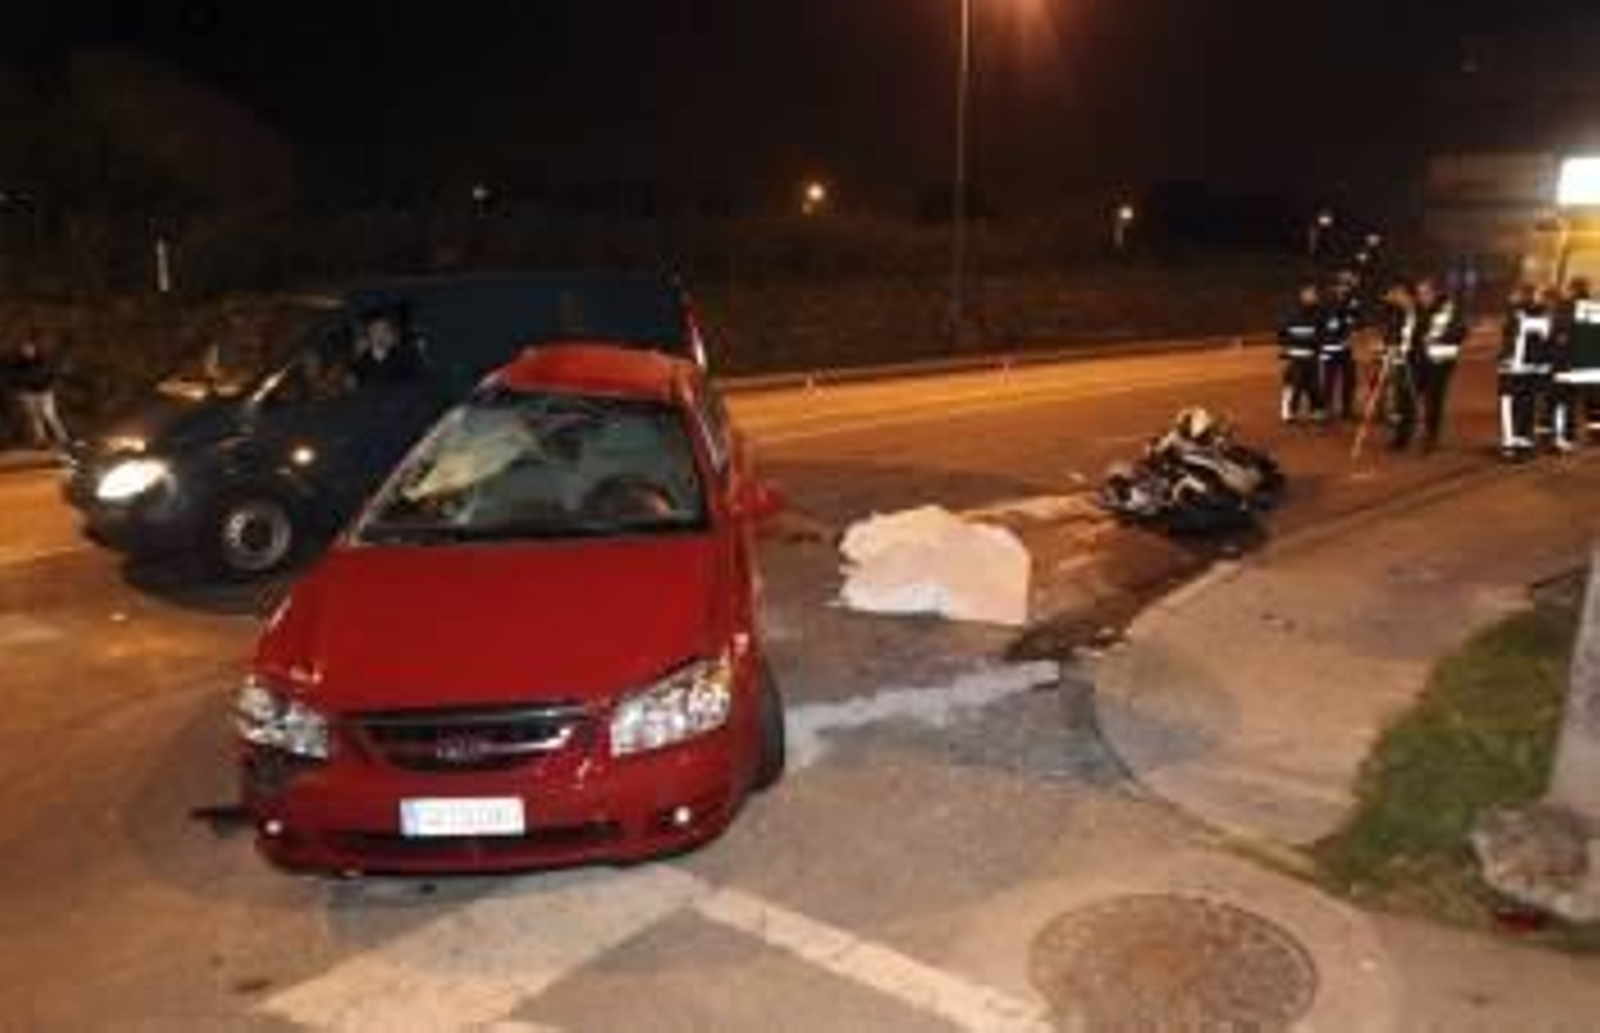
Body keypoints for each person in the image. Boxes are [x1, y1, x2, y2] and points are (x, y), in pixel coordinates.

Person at [1406, 277, 1467, 452]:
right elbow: (1412, 333)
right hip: (1418, 361)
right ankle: (1408, 433)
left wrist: (1439, 339)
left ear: (1435, 292)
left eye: (1425, 292)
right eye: (1419, 293)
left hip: (1440, 363)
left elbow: (1461, 332)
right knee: (1410, 397)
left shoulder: (1448, 309)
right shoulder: (1417, 309)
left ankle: (1430, 436)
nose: (1422, 296)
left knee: (1433, 401)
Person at [1496, 284, 1553, 459]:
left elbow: (1509, 338)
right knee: (1527, 406)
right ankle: (1525, 444)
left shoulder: (1515, 313)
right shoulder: (1544, 314)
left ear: (1521, 295)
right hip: (1533, 369)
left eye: (1514, 293)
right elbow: (1546, 342)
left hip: (1512, 367)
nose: (1511, 296)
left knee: (1509, 406)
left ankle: (1509, 445)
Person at [5, 329, 70, 452]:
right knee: (34, 418)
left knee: (49, 415)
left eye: (29, 349)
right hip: (28, 393)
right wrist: (18, 389)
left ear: (34, 349)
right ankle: (41, 441)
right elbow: (11, 377)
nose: (27, 352)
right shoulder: (17, 363)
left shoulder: (42, 360)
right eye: (24, 350)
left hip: (44, 391)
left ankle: (63, 439)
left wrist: (50, 384)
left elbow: (52, 372)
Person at [1277, 285, 1325, 424]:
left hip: (1312, 357)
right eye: (1308, 294)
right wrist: (1290, 346)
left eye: (1313, 295)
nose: (1311, 297)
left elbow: (1321, 336)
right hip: (1296, 357)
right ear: (1302, 296)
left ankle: (1316, 410)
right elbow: (1282, 335)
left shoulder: (1319, 314)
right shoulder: (1292, 314)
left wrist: (1315, 346)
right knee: (1294, 384)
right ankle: (1289, 412)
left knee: (1313, 385)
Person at [1319, 271, 1362, 420]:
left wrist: (1353, 331)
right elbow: (1328, 321)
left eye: (1349, 284)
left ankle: (1346, 409)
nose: (1347, 287)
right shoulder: (1328, 299)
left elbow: (1356, 318)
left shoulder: (1353, 300)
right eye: (1345, 284)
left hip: (1346, 347)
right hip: (1329, 346)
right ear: (1338, 284)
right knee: (1329, 379)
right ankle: (1326, 409)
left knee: (1350, 379)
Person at [349, 312, 423, 386]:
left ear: (393, 335)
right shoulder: (360, 364)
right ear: (368, 335)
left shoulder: (407, 360)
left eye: (385, 330)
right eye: (375, 331)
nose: (380, 336)